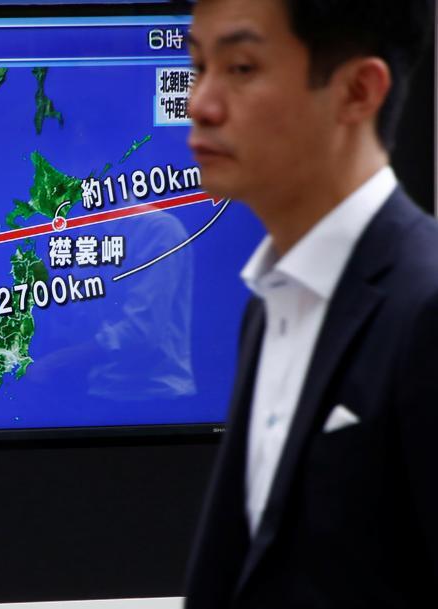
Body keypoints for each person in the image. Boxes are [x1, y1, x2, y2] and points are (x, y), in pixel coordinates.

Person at [183, 0, 437, 608]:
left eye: (241, 68)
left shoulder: (425, 307)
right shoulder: (271, 300)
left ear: (358, 91)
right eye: (197, 67)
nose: (201, 103)